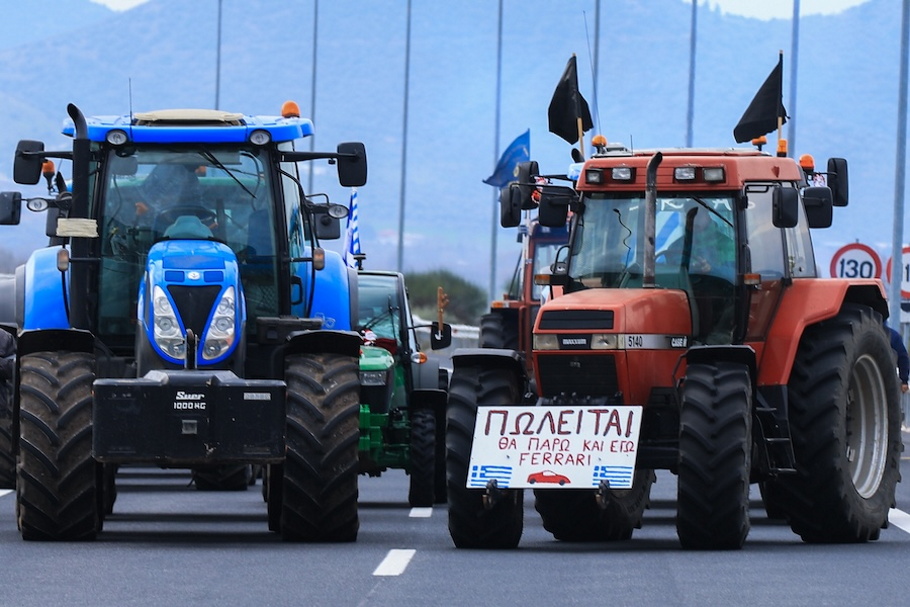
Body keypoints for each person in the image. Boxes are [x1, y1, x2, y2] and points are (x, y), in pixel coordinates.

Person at [885, 322, 910, 393]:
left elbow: (903, 358)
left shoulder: (892, 336)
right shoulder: (892, 335)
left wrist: (904, 380)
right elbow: (903, 358)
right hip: (886, 381)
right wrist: (904, 380)